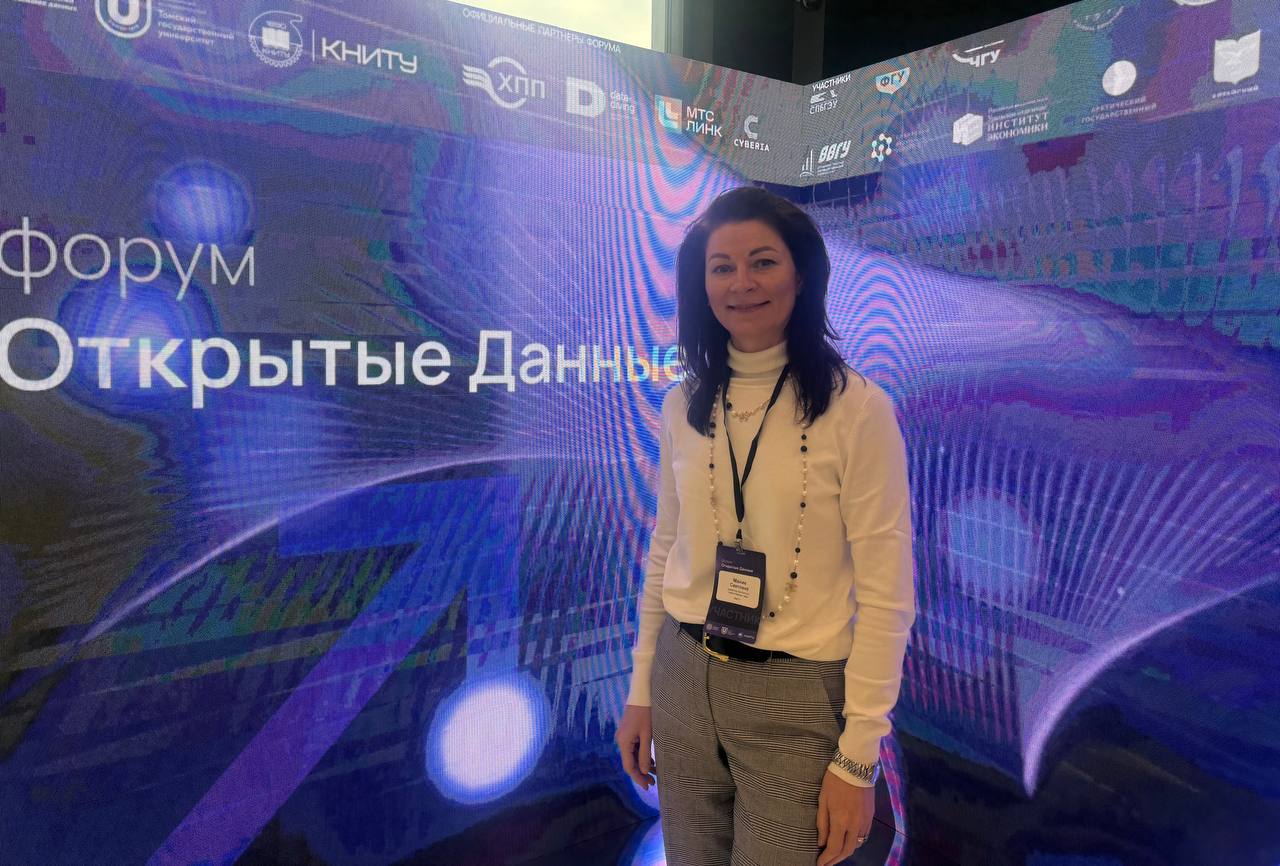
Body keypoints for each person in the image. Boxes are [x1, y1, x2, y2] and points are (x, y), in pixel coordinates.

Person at [614, 186, 916, 866]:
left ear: (801, 275)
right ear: (701, 285)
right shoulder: (684, 403)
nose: (741, 283)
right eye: (721, 267)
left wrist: (858, 756)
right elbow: (666, 551)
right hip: (683, 677)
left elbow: (888, 595)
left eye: (763, 262)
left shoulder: (857, 411)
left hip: (795, 694)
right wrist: (640, 692)